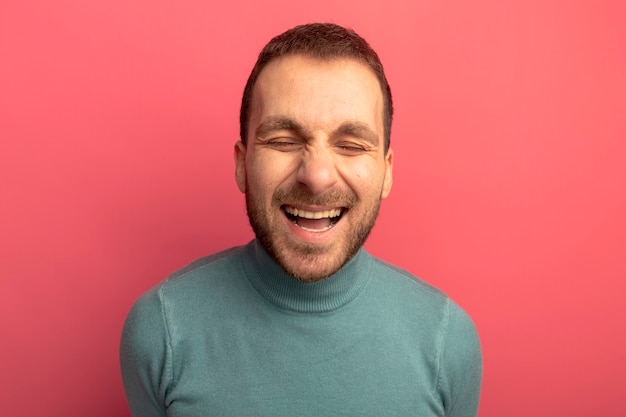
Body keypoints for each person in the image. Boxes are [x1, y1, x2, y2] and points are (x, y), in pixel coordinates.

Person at [120, 22, 482, 417]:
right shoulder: (161, 331)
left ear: (386, 171)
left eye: (350, 144)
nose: (317, 175)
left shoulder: (448, 342)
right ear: (243, 165)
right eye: (283, 141)